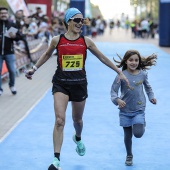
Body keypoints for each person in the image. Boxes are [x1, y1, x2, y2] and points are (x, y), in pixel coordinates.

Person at [25, 7, 129, 170]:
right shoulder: (56, 40)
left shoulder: (86, 41)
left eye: (82, 20)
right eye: (77, 20)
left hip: (79, 84)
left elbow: (101, 56)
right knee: (60, 120)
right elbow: (46, 55)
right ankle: (56, 160)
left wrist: (119, 72)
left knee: (77, 120)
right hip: (61, 83)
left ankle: (78, 138)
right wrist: (34, 69)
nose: (81, 23)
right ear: (68, 21)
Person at [110, 50, 157, 166]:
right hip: (125, 110)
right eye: (131, 60)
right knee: (127, 135)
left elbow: (148, 88)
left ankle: (141, 123)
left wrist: (152, 97)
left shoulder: (143, 74)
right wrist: (117, 100)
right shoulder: (121, 75)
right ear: (126, 61)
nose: (133, 62)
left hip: (139, 109)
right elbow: (113, 91)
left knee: (138, 133)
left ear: (139, 61)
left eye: (136, 60)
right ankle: (129, 155)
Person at [0, 7, 22, 95]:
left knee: (12, 71)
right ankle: (0, 89)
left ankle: (12, 85)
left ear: (7, 14)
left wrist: (14, 37)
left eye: (5, 13)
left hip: (9, 52)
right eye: (1, 13)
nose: (3, 14)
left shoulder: (12, 24)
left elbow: (19, 37)